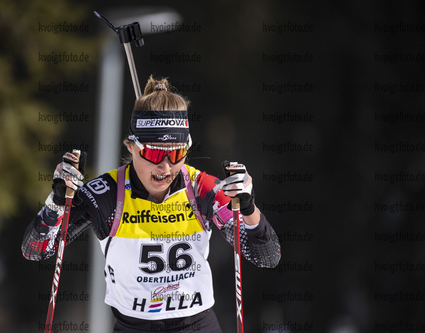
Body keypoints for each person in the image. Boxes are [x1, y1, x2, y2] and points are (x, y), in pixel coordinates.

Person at [22, 76, 281, 332]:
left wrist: (248, 209)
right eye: (155, 153)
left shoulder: (202, 189)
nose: (165, 167)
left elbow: (267, 256)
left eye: (177, 153)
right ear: (132, 147)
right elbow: (36, 250)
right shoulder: (107, 194)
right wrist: (57, 201)